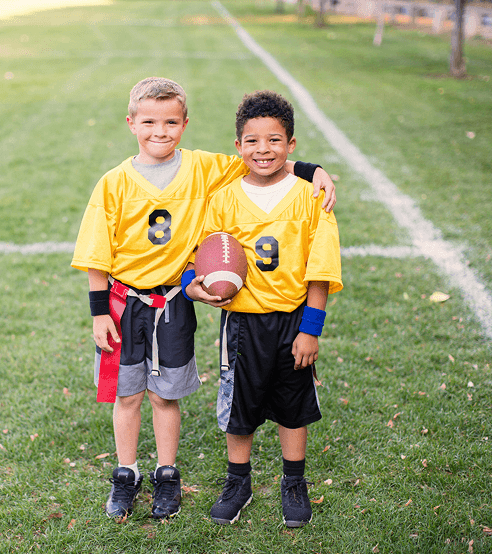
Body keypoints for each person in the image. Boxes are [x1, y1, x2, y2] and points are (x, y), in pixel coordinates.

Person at [71, 77, 336, 521]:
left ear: (185, 124)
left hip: (174, 301)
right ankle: (126, 472)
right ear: (131, 123)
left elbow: (264, 160)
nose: (161, 131)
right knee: (128, 395)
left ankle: (167, 475)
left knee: (164, 396)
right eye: (150, 122)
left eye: (171, 122)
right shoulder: (113, 183)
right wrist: (99, 313)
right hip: (123, 302)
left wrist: (314, 170)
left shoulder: (203, 167)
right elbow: (97, 251)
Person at [188, 90, 343, 527]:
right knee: (240, 405)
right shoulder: (223, 199)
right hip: (241, 322)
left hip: (293, 320)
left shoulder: (312, 197)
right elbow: (198, 258)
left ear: (291, 145)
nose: (263, 150)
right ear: (238, 146)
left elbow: (321, 269)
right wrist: (194, 288)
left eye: (274, 141)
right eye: (252, 141)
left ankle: (294, 482)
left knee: (293, 404)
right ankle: (238, 482)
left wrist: (310, 328)